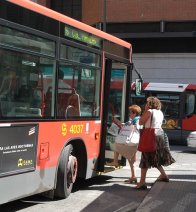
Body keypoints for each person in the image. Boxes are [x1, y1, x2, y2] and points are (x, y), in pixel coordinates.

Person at [135, 96, 175, 189]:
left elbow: (140, 122)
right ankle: (164, 175)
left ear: (150, 104)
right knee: (155, 157)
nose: (146, 104)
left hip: (150, 136)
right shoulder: (160, 112)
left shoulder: (149, 112)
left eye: (147, 102)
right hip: (159, 136)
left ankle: (142, 182)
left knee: (145, 158)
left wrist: (145, 110)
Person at [108, 104, 142, 184]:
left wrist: (127, 125)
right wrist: (116, 121)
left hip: (132, 141)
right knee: (131, 160)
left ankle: (115, 161)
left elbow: (135, 126)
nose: (129, 114)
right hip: (134, 141)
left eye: (130, 112)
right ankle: (133, 176)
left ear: (134, 113)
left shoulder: (136, 120)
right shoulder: (134, 119)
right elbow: (124, 125)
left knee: (117, 145)